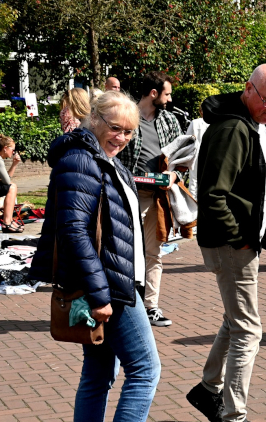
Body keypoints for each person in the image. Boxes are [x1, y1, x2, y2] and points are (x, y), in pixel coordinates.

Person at [28, 91, 159, 422]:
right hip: (109, 288)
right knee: (145, 370)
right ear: (94, 119)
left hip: (115, 281)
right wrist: (101, 295)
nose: (121, 137)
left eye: (128, 131)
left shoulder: (99, 155)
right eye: (115, 128)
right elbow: (74, 230)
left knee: (99, 374)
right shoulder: (81, 158)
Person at [188, 63, 266, 422]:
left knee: (236, 320)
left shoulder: (245, 122)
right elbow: (213, 193)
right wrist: (241, 237)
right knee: (248, 329)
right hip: (233, 244)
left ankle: (208, 389)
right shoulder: (232, 128)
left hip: (239, 240)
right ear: (248, 90)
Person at [117, 71, 184, 327]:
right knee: (124, 250)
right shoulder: (126, 117)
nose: (169, 99)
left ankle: (150, 307)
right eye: (166, 93)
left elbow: (182, 158)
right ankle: (124, 303)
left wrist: (175, 175)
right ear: (153, 93)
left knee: (153, 252)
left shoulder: (170, 121)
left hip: (157, 196)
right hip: (127, 194)